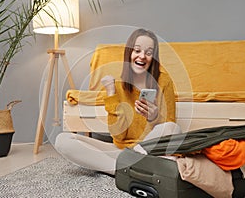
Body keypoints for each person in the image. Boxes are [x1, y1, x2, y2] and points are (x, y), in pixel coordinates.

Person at [55, 28, 181, 175]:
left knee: (172, 127)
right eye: (137, 50)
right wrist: (111, 94)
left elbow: (170, 130)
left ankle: (125, 167)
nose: (142, 56)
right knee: (62, 140)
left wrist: (154, 118)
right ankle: (123, 169)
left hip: (147, 149)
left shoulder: (164, 81)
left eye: (148, 53)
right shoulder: (118, 86)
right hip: (121, 152)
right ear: (129, 53)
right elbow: (118, 136)